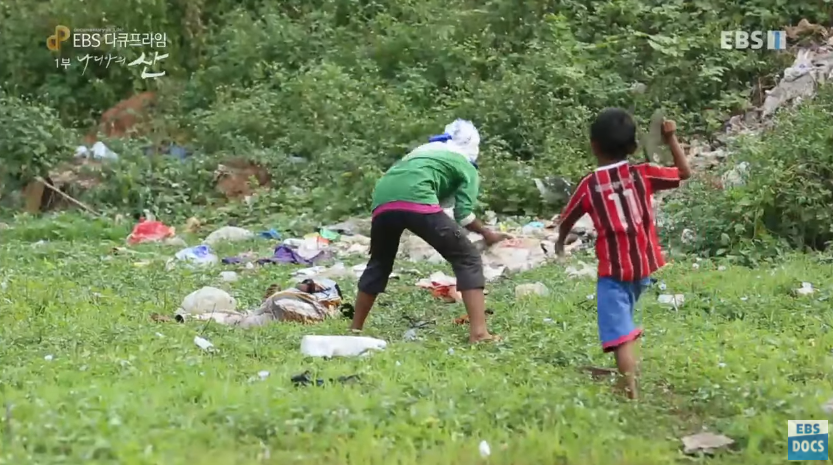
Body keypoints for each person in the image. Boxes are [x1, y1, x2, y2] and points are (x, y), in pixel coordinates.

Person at [554, 108, 691, 399]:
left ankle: (628, 389)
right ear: (632, 146)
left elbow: (568, 217)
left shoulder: (590, 185)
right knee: (623, 319)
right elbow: (683, 173)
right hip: (643, 266)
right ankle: (624, 375)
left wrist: (560, 242)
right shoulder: (643, 173)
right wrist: (671, 139)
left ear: (593, 145)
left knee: (620, 334)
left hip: (614, 272)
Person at [350, 119, 509, 343]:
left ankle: (355, 329)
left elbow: (434, 198)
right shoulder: (465, 164)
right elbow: (464, 214)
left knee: (379, 262)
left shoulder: (424, 151)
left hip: (382, 200)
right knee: (468, 257)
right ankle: (480, 334)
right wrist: (487, 234)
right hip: (416, 199)